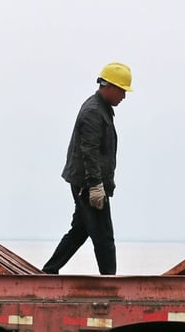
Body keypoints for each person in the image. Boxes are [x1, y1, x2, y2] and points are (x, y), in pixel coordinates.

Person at [42, 62, 133, 275]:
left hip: (88, 182)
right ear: (108, 86)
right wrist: (95, 186)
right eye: (122, 90)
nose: (124, 96)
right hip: (88, 184)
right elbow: (89, 151)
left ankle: (49, 271)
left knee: (80, 231)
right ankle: (111, 285)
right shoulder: (94, 112)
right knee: (104, 237)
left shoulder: (102, 109)